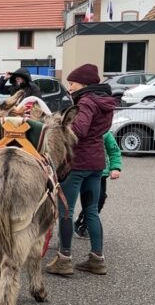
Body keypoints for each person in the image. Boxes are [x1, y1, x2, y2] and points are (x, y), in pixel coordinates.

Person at [45, 63, 117, 277]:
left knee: (66, 210)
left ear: (83, 83)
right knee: (91, 210)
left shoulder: (86, 101)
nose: (70, 87)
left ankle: (64, 259)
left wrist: (58, 124)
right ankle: (97, 259)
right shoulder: (104, 102)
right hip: (96, 163)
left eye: (72, 82)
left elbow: (79, 129)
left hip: (76, 163)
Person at [74, 131, 122, 239]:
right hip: (77, 171)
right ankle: (64, 232)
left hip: (98, 173)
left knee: (98, 200)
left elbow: (114, 151)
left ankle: (82, 224)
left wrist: (115, 167)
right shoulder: (79, 129)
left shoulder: (105, 133)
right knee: (69, 201)